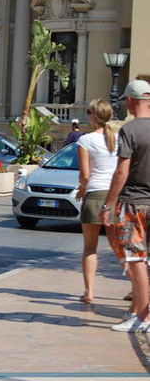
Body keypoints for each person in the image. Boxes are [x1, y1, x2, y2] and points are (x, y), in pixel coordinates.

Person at [100, 80, 150, 332]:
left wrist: (108, 205)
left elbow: (121, 172)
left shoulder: (130, 130)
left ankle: (143, 316)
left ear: (131, 101)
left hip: (134, 202)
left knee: (135, 257)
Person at [75, 99, 118, 304]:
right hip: (115, 196)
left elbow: (85, 175)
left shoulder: (86, 140)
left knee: (90, 247)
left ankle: (89, 292)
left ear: (93, 116)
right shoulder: (118, 140)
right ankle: (136, 288)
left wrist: (81, 190)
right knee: (120, 246)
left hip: (95, 194)